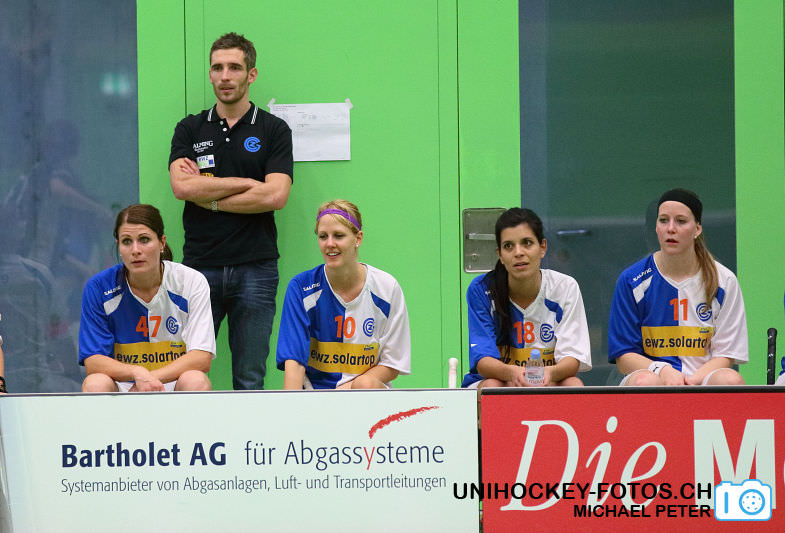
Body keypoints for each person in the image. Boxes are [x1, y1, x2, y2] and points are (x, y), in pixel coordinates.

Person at [168, 32, 293, 390]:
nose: (225, 76)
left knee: (250, 378)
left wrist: (209, 195)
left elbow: (275, 196)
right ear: (210, 73)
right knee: (187, 374)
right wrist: (247, 184)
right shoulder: (190, 128)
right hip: (199, 267)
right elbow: (182, 188)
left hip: (256, 267)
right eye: (217, 68)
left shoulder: (273, 129)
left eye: (234, 68)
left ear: (251, 74)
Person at [608, 188, 747, 386]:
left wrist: (690, 381)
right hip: (651, 376)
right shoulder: (632, 280)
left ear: (697, 229)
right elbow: (624, 357)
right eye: (663, 220)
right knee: (645, 382)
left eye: (681, 221)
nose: (671, 228)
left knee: (730, 380)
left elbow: (725, 355)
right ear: (656, 227)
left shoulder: (724, 281)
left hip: (701, 379)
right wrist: (662, 370)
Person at [79, 205, 215, 392]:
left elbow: (201, 357)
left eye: (144, 240)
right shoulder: (99, 287)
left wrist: (149, 379)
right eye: (127, 241)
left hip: (172, 382)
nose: (135, 250)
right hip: (125, 385)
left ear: (162, 243)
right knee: (95, 383)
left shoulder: (191, 282)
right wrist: (136, 373)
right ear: (118, 246)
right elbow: (93, 362)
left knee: (196, 380)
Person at [277, 200, 411, 389]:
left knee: (365, 384)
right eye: (323, 236)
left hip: (367, 396)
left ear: (358, 238)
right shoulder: (301, 287)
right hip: (315, 399)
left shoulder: (387, 288)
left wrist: (346, 392)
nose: (329, 244)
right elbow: (294, 364)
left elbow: (392, 364)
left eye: (338, 236)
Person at [461, 208, 591, 390]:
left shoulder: (565, 287)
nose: (518, 252)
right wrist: (514, 374)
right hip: (498, 378)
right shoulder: (481, 290)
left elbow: (572, 360)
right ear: (500, 255)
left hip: (547, 378)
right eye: (508, 246)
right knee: (492, 387)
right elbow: (483, 363)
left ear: (542, 247)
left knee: (573, 384)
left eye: (527, 243)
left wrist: (548, 373)